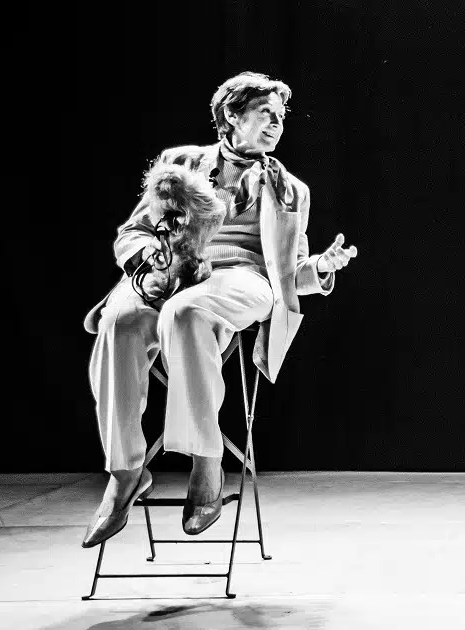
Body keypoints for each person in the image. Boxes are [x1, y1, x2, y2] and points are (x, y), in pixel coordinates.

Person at [81, 71, 358, 547]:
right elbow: (133, 233)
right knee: (119, 321)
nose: (276, 124)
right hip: (177, 270)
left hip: (244, 279)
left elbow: (290, 273)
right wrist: (148, 265)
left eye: (280, 116)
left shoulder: (291, 190)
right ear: (231, 115)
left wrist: (321, 267)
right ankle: (125, 471)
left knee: (186, 313)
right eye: (265, 113)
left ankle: (206, 460)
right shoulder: (180, 163)